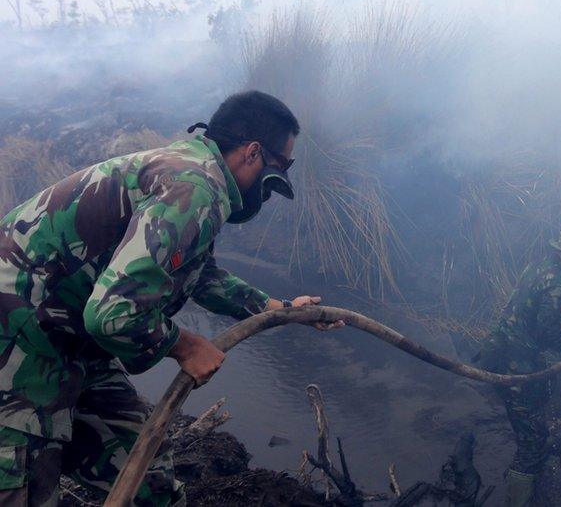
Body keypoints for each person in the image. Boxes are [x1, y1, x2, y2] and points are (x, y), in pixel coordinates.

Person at [0, 90, 342, 506]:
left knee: (144, 469)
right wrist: (186, 346)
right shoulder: (195, 187)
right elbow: (112, 314)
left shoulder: (195, 173)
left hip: (66, 338)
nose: (276, 186)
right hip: (19, 338)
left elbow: (197, 274)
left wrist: (279, 310)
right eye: (281, 165)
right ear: (253, 152)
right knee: (25, 485)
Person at [478, 225, 561, 507]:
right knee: (531, 443)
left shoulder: (540, 266)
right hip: (518, 366)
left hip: (498, 353)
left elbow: (535, 305)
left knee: (530, 422)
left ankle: (524, 479)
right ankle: (518, 499)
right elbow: (547, 329)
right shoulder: (560, 281)